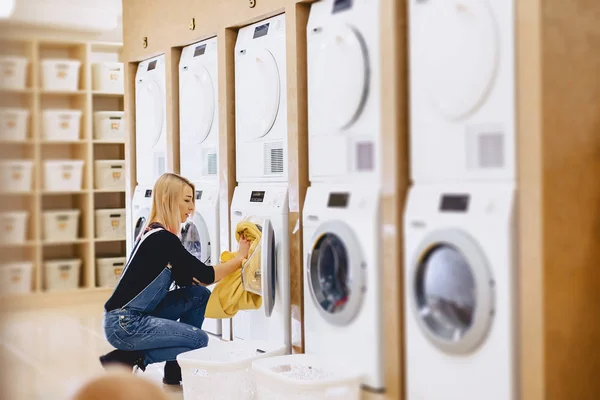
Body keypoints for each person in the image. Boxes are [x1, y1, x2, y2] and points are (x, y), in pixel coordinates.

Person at [99, 173, 251, 385]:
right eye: (187, 200)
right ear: (167, 200)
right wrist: (240, 257)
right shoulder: (163, 239)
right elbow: (206, 275)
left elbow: (195, 282)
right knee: (199, 339)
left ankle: (174, 371)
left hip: (128, 317)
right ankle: (129, 358)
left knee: (198, 296)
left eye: (193, 201)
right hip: (125, 324)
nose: (192, 207)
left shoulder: (153, 231)